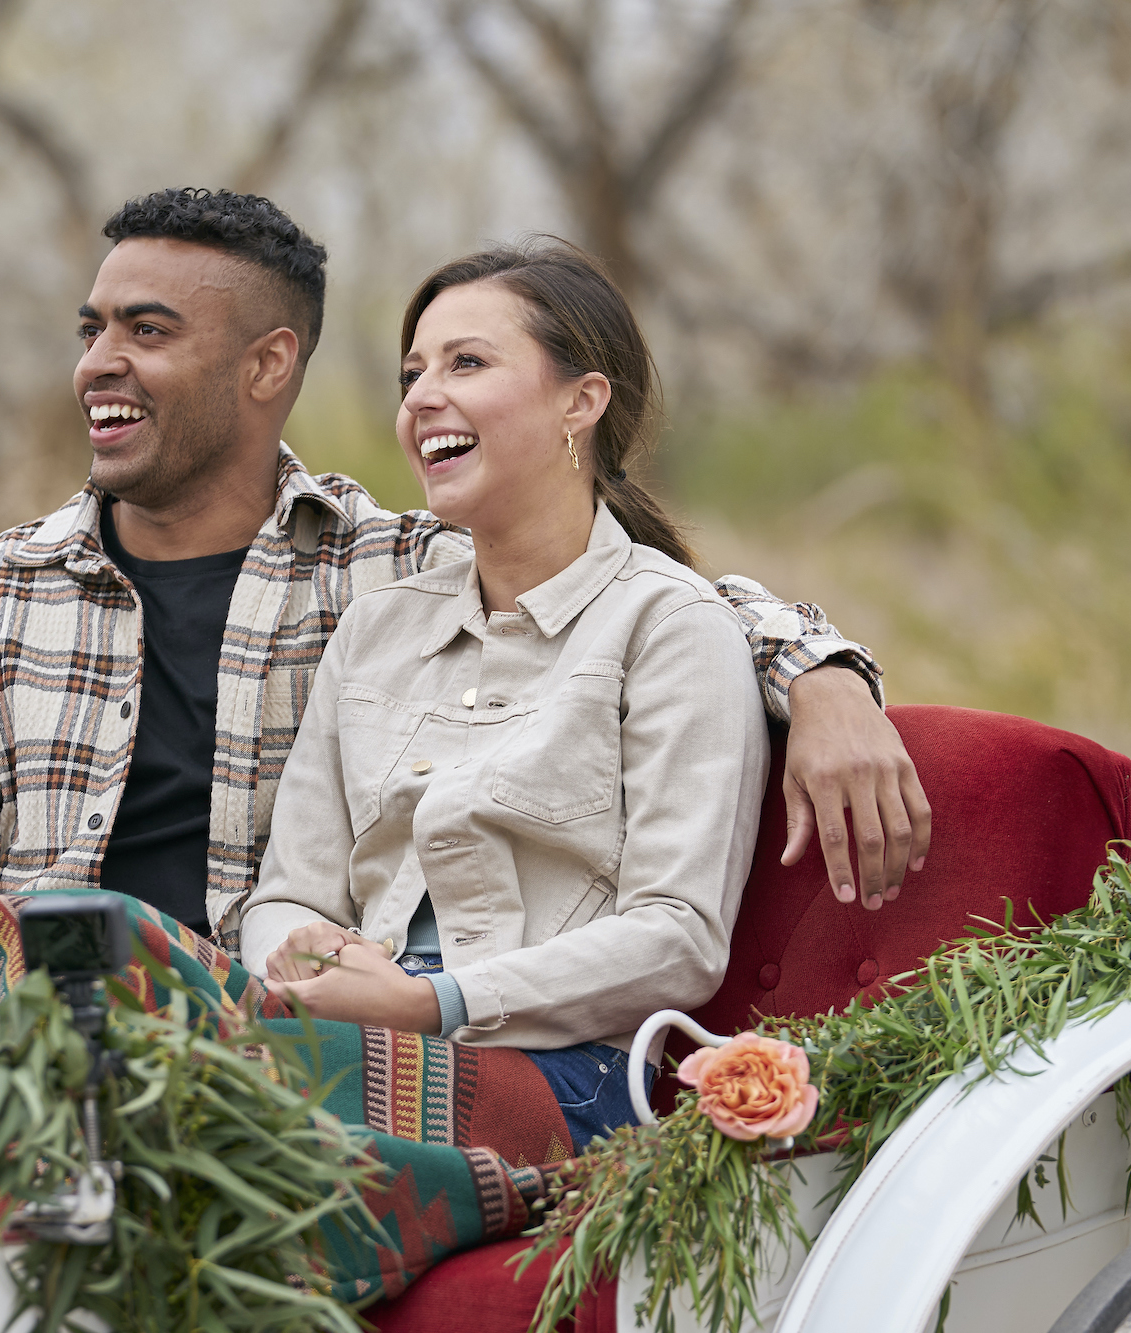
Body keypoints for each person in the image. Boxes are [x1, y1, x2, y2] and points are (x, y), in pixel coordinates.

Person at [0, 188, 928, 980]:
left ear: (267, 366)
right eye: (92, 329)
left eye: (146, 333)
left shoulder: (389, 571)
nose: (97, 362)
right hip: (10, 995)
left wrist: (820, 671)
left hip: (233, 1018)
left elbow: (616, 589)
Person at [239, 241, 768, 1142]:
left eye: (467, 363)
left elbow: (678, 937)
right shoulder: (376, 629)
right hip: (356, 1040)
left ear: (582, 401)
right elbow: (291, 891)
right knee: (121, 1001)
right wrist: (303, 960)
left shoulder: (669, 627)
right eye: (413, 373)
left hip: (559, 1071)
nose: (420, 398)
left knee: (231, 1116)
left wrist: (432, 1001)